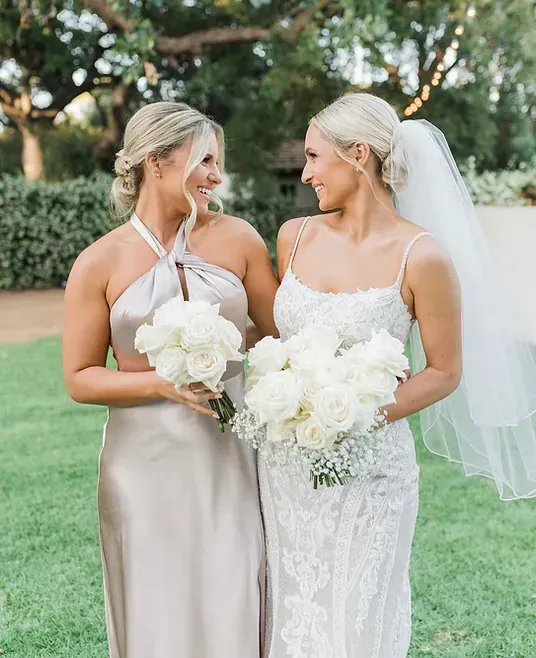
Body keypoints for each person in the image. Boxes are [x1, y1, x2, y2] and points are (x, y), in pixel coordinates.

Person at [258, 92, 536, 657]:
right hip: (285, 467)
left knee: (359, 625)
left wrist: (358, 415)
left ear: (358, 154)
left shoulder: (423, 256)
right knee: (293, 612)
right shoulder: (294, 236)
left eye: (314, 157)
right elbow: (273, 342)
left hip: (371, 472)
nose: (306, 172)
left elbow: (443, 371)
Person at [62, 101, 279, 658]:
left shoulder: (238, 239)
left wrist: (230, 347)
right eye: (205, 160)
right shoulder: (99, 262)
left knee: (231, 585)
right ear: (157, 161)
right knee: (155, 599)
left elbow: (282, 335)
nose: (216, 175)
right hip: (141, 465)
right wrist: (161, 384)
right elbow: (81, 378)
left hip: (227, 452)